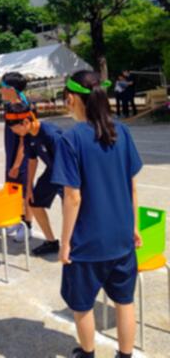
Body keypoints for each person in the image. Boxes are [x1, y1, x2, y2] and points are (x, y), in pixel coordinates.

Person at [51, 70, 143, 358]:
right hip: (122, 237)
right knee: (124, 302)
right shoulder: (121, 132)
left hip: (87, 242)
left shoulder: (70, 139)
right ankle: (125, 355)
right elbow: (132, 186)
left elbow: (73, 197)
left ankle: (88, 353)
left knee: (82, 306)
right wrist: (134, 226)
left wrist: (65, 242)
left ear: (72, 98)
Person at [5, 103, 63, 256]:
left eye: (14, 128)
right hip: (52, 171)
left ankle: (77, 244)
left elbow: (67, 163)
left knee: (72, 209)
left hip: (68, 171)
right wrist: (29, 188)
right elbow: (32, 160)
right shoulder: (28, 136)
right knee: (34, 201)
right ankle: (51, 242)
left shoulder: (51, 135)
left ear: (25, 122)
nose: (14, 132)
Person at [0, 72, 33, 243]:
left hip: (22, 160)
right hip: (11, 157)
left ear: (11, 89)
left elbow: (24, 142)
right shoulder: (10, 107)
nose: (0, 90)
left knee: (25, 193)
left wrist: (17, 165)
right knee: (13, 191)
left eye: (2, 87)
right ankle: (16, 219)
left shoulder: (22, 108)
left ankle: (27, 226)